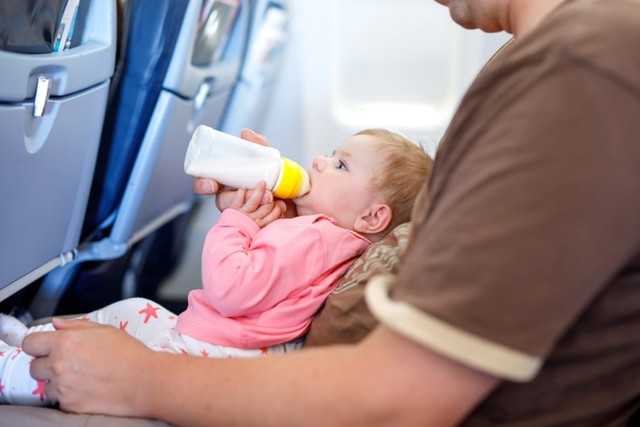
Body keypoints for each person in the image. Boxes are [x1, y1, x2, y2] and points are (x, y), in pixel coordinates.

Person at [17, 0, 640, 425]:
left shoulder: (578, 67)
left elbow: (401, 400)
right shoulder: (535, 55)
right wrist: (282, 222)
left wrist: (135, 381)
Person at [0, 128, 432, 406]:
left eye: (340, 165)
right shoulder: (329, 239)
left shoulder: (316, 237)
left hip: (216, 352)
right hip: (221, 341)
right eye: (329, 152)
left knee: (118, 328)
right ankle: (32, 339)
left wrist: (236, 222)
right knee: (131, 310)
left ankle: (14, 371)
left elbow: (232, 290)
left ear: (372, 218)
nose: (319, 161)